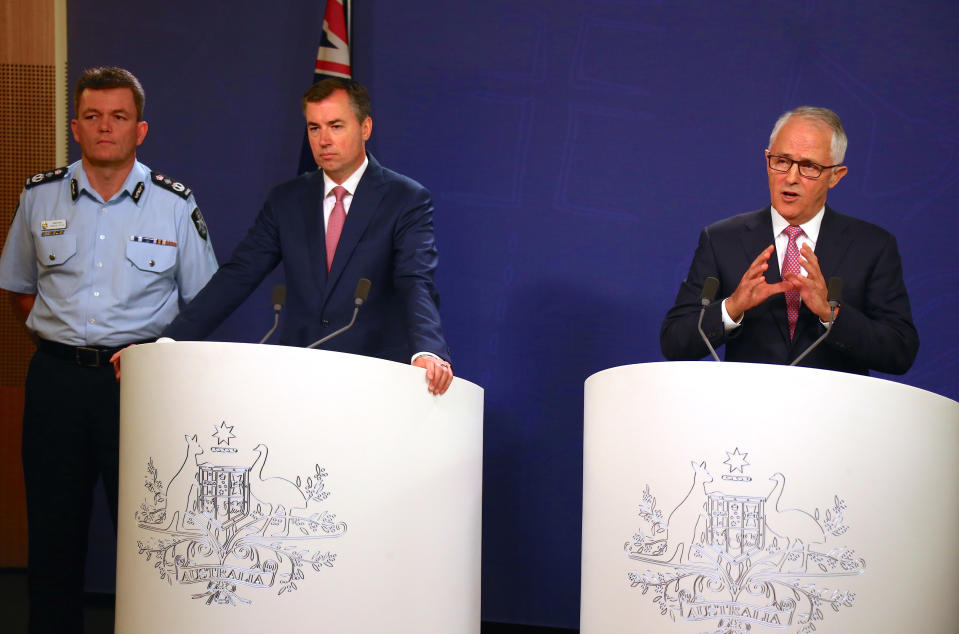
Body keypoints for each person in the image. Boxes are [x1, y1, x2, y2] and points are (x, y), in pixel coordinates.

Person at [0, 66, 218, 632]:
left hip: (140, 387)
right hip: (56, 382)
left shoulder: (174, 204)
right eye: (93, 117)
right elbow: (20, 291)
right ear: (75, 126)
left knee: (149, 530)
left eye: (118, 117)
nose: (105, 128)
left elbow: (203, 305)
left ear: (140, 130)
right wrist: (70, 339)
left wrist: (145, 355)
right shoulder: (39, 195)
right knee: (52, 530)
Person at [151, 77, 454, 394]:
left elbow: (415, 281)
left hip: (373, 376)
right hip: (299, 373)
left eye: (336, 126)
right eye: (314, 128)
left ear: (365, 128)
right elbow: (239, 274)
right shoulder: (287, 199)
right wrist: (171, 341)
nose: (324, 140)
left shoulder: (405, 198)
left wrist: (428, 350)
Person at [660, 106, 918, 374]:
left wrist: (831, 315)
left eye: (809, 166)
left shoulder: (872, 246)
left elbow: (900, 351)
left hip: (836, 411)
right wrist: (732, 307)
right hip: (749, 410)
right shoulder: (722, 239)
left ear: (835, 176)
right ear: (767, 160)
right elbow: (674, 342)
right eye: (782, 161)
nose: (791, 178)